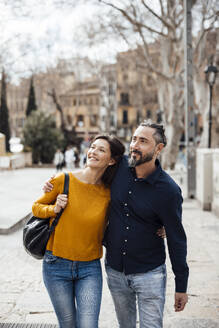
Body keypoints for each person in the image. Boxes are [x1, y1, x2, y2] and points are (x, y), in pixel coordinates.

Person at [44, 121, 189, 328]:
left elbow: (177, 239)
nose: (134, 145)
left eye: (143, 141)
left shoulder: (169, 191)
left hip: (150, 274)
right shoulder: (118, 167)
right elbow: (91, 169)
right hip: (115, 272)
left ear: (159, 148)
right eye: (134, 139)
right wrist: (56, 182)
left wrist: (181, 286)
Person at [32, 135, 125, 328]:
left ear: (112, 160)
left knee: (89, 325)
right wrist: (53, 209)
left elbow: (129, 214)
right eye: (92, 147)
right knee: (67, 324)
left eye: (101, 150)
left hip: (89, 268)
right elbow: (36, 207)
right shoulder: (62, 180)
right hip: (55, 264)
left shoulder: (110, 193)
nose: (93, 152)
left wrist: (161, 226)